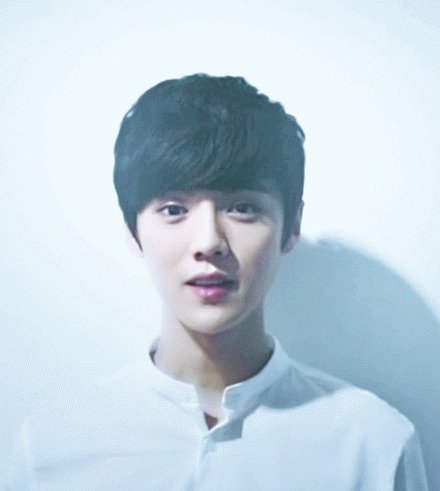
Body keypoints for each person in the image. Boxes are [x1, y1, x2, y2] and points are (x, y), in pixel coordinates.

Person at [6, 74, 428, 490]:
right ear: (134, 231)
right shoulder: (51, 448)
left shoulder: (372, 444)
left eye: (242, 207)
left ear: (292, 226)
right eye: (174, 209)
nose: (209, 242)